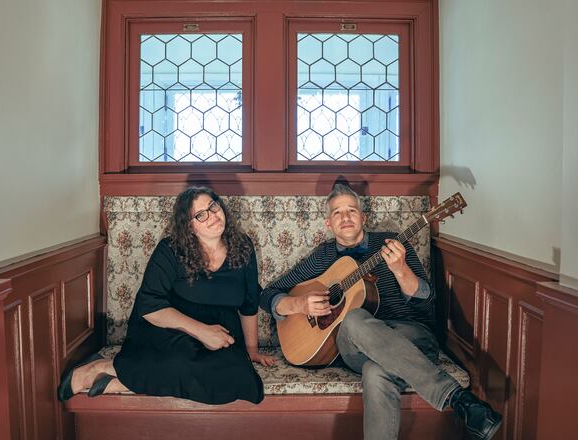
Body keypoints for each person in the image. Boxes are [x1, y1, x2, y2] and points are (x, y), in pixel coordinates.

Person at [260, 184, 502, 440]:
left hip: (412, 337)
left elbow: (426, 302)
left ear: (363, 218)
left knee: (375, 373)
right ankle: (457, 397)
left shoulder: (392, 242)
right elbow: (268, 294)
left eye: (351, 210)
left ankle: (461, 402)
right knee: (353, 318)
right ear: (328, 224)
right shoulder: (322, 257)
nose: (345, 217)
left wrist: (400, 270)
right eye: (337, 213)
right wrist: (299, 305)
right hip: (354, 348)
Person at [58, 186, 275, 405]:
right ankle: (103, 367)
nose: (212, 216)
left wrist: (252, 350)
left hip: (221, 330)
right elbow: (150, 305)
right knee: (180, 362)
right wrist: (201, 331)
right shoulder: (170, 249)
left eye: (213, 206)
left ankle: (119, 380)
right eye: (201, 215)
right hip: (169, 326)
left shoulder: (243, 245)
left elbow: (249, 303)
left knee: (242, 380)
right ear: (189, 227)